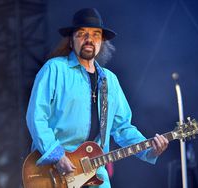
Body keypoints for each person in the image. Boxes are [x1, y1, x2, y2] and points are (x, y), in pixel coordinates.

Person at [26, 8, 168, 188]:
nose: (89, 39)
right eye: (82, 34)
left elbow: (122, 128)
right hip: (54, 170)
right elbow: (36, 116)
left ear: (102, 41)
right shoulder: (54, 69)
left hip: (95, 174)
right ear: (71, 41)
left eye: (95, 34)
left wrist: (150, 149)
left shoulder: (110, 81)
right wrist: (57, 155)